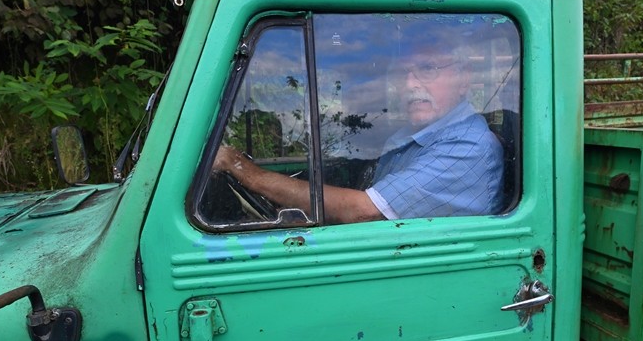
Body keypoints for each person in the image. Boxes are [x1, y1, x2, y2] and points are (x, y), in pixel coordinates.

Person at [213, 42, 504, 224]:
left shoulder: (468, 146)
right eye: (403, 73)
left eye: (427, 69)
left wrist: (248, 173)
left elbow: (364, 211)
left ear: (464, 79)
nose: (409, 84)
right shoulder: (414, 134)